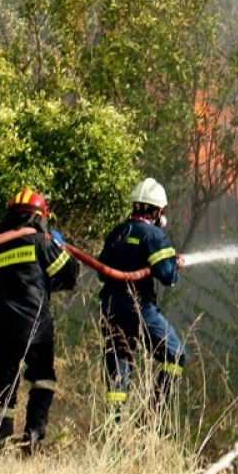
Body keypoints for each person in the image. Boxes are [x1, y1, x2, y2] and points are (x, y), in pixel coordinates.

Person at [0, 188, 79, 453]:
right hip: (34, 327)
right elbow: (70, 273)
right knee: (43, 380)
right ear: (39, 217)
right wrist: (59, 246)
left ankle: (1, 447)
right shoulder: (42, 242)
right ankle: (32, 440)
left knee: (2, 390)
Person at [97, 177, 186, 418]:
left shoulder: (118, 232)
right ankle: (153, 414)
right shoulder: (153, 236)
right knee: (176, 354)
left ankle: (114, 427)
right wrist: (174, 263)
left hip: (110, 307)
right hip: (138, 307)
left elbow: (101, 272)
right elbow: (168, 277)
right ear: (157, 211)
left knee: (119, 366)